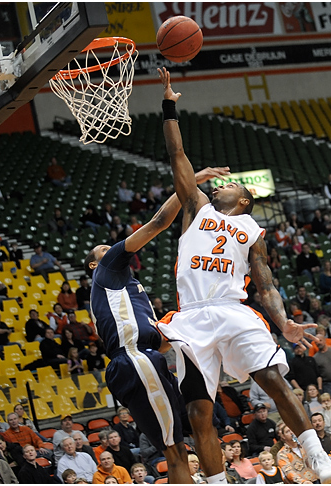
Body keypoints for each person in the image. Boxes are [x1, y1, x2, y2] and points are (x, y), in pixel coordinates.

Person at [154, 67, 331, 485]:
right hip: (193, 315)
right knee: (198, 411)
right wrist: (168, 107)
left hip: (232, 309)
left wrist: (284, 322)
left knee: (272, 377)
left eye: (230, 186)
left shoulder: (252, 229)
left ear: (243, 200)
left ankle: (317, 455)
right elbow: (176, 155)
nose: (221, 186)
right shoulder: (196, 207)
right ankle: (217, 481)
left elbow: (266, 283)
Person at [83, 166, 229, 485]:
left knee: (184, 440)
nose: (112, 248)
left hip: (144, 359)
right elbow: (159, 222)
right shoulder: (107, 270)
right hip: (136, 360)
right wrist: (190, 181)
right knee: (175, 451)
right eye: (104, 250)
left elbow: (157, 341)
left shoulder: (124, 291)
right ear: (95, 264)